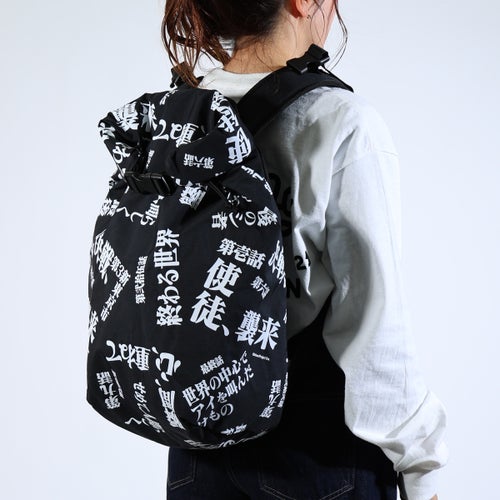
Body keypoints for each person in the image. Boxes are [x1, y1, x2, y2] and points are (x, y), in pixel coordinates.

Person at [161, 0, 448, 499]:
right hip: (317, 463)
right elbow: (375, 332)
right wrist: (422, 466)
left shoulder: (180, 118)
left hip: (196, 459)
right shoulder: (340, 121)